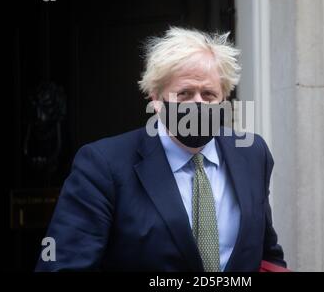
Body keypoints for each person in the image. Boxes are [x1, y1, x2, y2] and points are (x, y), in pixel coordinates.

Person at [35, 27, 286, 271]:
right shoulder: (104, 165)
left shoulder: (252, 154)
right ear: (156, 99)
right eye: (185, 93)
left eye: (208, 94)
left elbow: (266, 255)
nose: (198, 103)